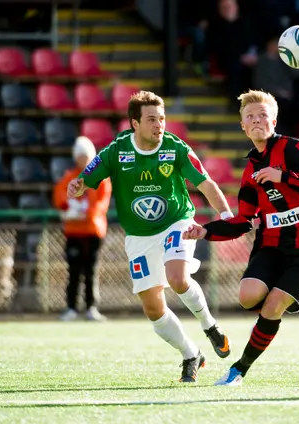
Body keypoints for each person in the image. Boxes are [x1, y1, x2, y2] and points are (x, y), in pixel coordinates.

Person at [66, 91, 233, 383]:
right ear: (135, 123)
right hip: (139, 237)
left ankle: (210, 325)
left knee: (178, 278)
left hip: (176, 223)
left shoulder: (176, 148)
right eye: (152, 119)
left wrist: (227, 215)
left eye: (163, 118)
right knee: (153, 309)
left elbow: (205, 183)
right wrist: (76, 186)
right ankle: (191, 354)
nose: (160, 125)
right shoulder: (116, 151)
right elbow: (86, 180)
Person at [183, 89, 299, 387]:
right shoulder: (250, 170)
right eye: (249, 116)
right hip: (273, 244)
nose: (256, 120)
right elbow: (243, 221)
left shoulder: (295, 149)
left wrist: (284, 177)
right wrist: (206, 230)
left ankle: (239, 369)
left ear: (274, 120)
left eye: (262, 115)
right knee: (247, 295)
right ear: (242, 125)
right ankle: (273, 311)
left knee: (273, 304)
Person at [53, 136, 112, 322]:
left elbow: (102, 204)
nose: (82, 160)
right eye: (80, 156)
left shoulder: (101, 179)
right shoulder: (69, 178)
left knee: (91, 270)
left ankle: (91, 307)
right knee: (74, 270)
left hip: (93, 231)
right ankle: (71, 307)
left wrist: (86, 213)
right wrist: (68, 210)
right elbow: (60, 197)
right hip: (74, 231)